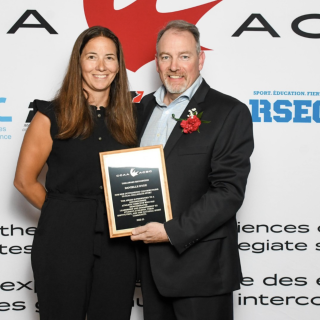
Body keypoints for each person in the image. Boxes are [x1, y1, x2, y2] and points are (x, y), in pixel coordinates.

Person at [131, 20, 254, 320]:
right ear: (157, 62)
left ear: (200, 59)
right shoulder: (140, 109)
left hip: (202, 271)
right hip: (150, 270)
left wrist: (170, 232)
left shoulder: (229, 112)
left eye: (184, 56)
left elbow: (228, 192)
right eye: (165, 57)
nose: (174, 66)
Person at [14, 26, 138, 320]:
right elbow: (23, 181)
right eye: (91, 56)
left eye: (109, 58)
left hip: (117, 243)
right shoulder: (51, 115)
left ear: (118, 66)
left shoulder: (134, 118)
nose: (101, 66)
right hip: (62, 240)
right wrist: (64, 212)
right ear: (78, 62)